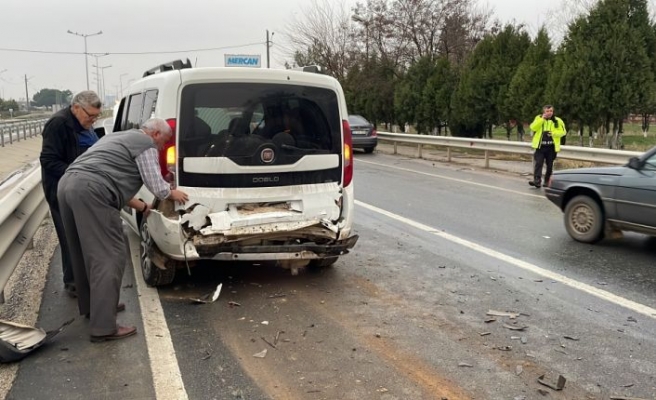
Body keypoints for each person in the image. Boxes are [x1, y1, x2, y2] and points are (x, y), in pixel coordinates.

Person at [57, 118, 189, 342]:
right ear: (155, 134)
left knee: (82, 252)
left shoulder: (116, 138)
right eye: (163, 142)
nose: (161, 147)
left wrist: (143, 207)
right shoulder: (145, 144)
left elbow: (111, 180)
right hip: (91, 191)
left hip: (68, 185)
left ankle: (96, 306)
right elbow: (155, 184)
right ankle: (104, 327)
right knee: (109, 256)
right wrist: (171, 192)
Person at [39, 91, 102, 298]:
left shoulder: (83, 124)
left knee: (83, 236)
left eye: (96, 117)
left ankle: (82, 281)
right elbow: (48, 160)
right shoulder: (58, 125)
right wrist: (76, 173)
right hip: (62, 190)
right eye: (90, 116)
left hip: (80, 188)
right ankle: (74, 283)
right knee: (70, 237)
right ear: (76, 108)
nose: (92, 121)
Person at [529, 105, 566, 188]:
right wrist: (542, 119)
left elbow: (563, 132)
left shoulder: (557, 120)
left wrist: (554, 133)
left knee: (549, 165)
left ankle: (547, 181)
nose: (549, 113)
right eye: (547, 111)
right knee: (538, 163)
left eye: (551, 111)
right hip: (540, 147)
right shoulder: (538, 118)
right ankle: (537, 181)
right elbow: (533, 128)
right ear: (544, 112)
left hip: (551, 148)